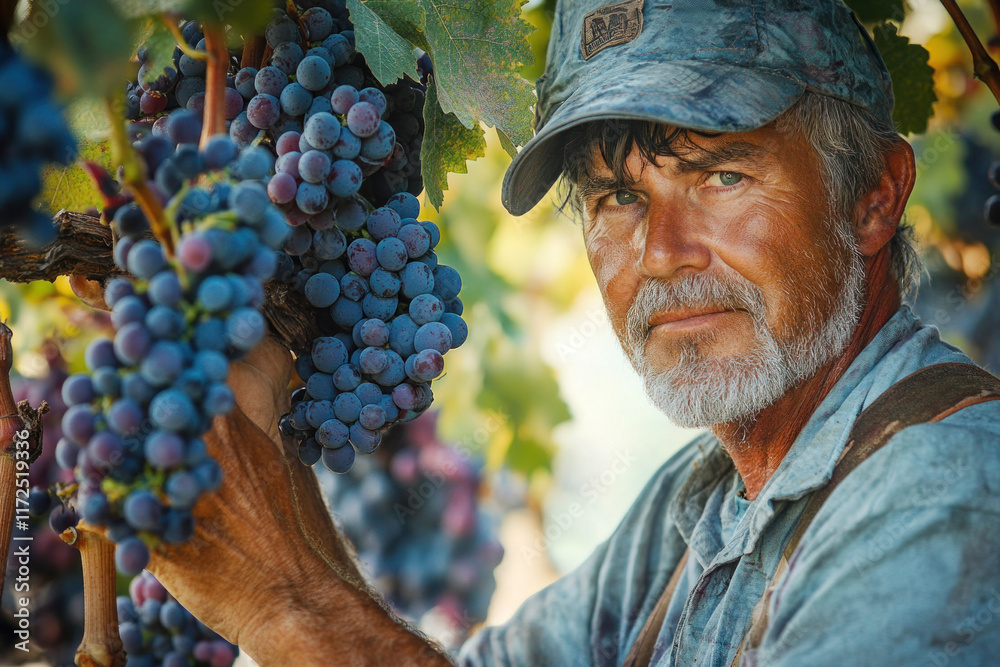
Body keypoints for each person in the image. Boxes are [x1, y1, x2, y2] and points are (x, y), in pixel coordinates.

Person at [122, 0, 1000, 665]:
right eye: (618, 197)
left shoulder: (945, 497)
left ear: (876, 196)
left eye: (723, 175)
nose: (660, 253)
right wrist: (267, 447)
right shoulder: (700, 504)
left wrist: (288, 606)